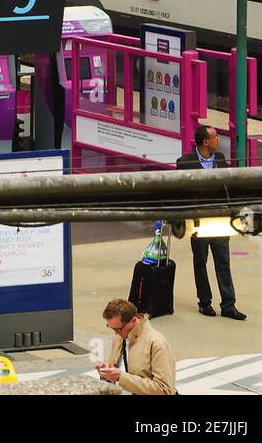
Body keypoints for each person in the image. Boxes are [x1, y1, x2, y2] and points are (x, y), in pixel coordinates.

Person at [176, 125, 245, 320]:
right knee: (201, 261)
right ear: (206, 142)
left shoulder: (220, 159)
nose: (218, 140)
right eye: (215, 137)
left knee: (223, 262)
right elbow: (181, 192)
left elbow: (227, 188)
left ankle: (229, 305)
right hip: (199, 221)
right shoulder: (185, 163)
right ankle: (204, 302)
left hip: (221, 219)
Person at [96, 298, 177, 395]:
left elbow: (164, 390)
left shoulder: (157, 344)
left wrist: (121, 377)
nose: (116, 333)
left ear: (134, 321)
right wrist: (107, 373)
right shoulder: (119, 336)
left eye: (118, 329)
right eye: (112, 328)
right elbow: (117, 371)